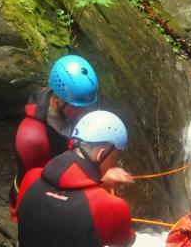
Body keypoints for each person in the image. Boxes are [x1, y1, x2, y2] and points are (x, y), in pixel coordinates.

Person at [14, 110, 136, 247]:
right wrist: (100, 189)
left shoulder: (30, 179)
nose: (113, 165)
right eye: (114, 158)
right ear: (101, 155)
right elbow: (126, 241)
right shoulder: (111, 206)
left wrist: (97, 183)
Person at [11, 55, 99, 209]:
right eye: (78, 107)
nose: (84, 112)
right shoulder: (32, 139)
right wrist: (98, 179)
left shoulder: (63, 103)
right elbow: (43, 187)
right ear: (57, 99)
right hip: (35, 202)